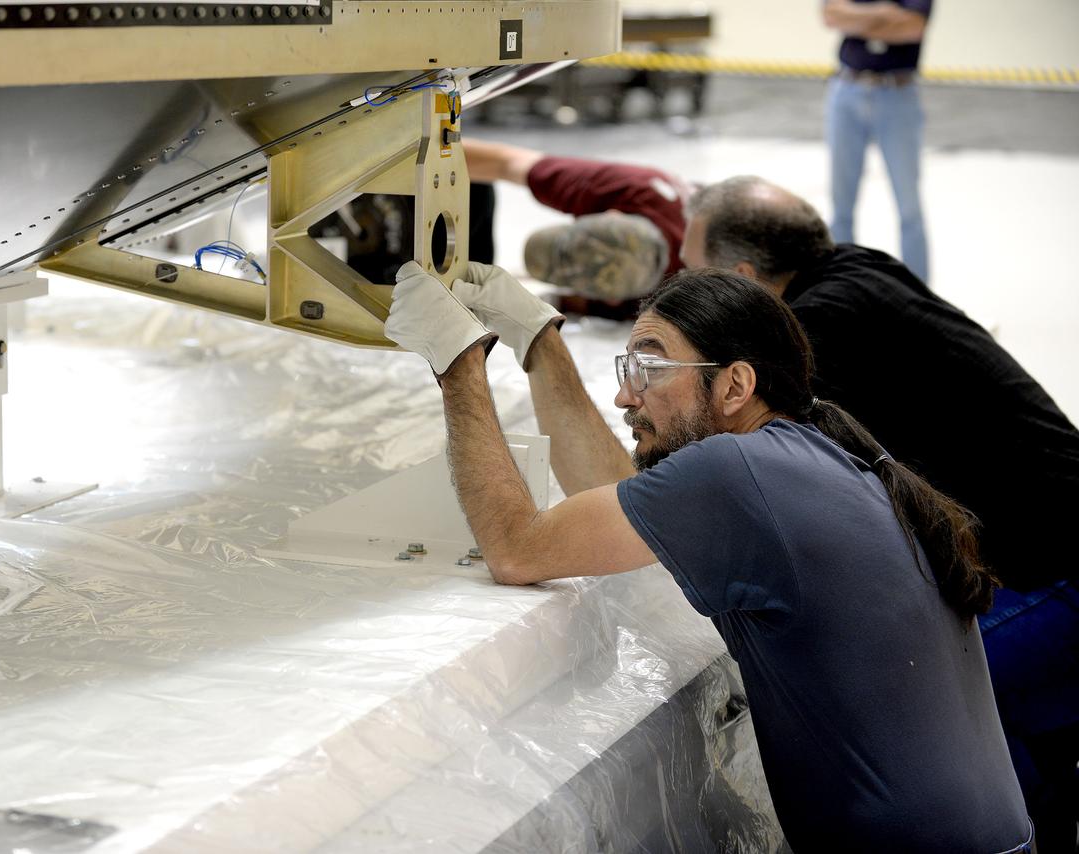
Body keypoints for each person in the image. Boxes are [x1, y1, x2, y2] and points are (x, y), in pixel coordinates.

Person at [383, 260, 1032, 850]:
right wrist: (540, 343)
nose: (625, 396)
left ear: (734, 385)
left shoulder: (735, 476)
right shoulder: (812, 457)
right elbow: (617, 501)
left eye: (652, 367)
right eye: (628, 368)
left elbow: (517, 549)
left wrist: (458, 366)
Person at [681, 174, 1079, 851]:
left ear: (745, 278)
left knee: (934, 707)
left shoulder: (817, 328)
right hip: (1046, 550)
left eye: (692, 271)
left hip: (1061, 573)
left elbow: (718, 463)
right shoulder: (861, 269)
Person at [462, 138, 694, 317]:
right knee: (474, 186)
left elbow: (562, 305)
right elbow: (504, 161)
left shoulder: (683, 306)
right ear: (611, 213)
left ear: (612, 298)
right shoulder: (632, 189)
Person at [822, 0, 932, 281]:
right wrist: (883, 14)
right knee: (841, 203)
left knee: (909, 207)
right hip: (847, 89)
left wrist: (858, 20)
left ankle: (919, 293)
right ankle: (840, 284)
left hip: (897, 94)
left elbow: (912, 28)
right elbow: (832, 16)